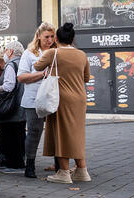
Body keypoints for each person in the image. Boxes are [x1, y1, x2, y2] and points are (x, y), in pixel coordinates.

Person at [33, 23, 91, 183]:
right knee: (77, 134)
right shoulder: (82, 55)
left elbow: (37, 66)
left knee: (61, 133)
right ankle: (82, 171)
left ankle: (64, 173)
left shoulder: (53, 53)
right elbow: (86, 78)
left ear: (56, 38)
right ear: (73, 38)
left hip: (60, 98)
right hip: (79, 99)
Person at [17, 22, 56, 178]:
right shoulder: (29, 53)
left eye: (52, 36)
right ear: (39, 36)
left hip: (53, 97)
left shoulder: (56, 52)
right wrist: (41, 75)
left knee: (56, 132)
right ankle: (30, 165)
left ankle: (59, 164)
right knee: (34, 131)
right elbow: (21, 77)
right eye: (47, 36)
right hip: (33, 98)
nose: (50, 40)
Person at [0, 40, 26, 171]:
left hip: (11, 107)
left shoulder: (10, 65)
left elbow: (8, 86)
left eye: (5, 50)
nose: (4, 53)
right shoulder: (24, 63)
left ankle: (10, 163)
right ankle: (19, 161)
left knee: (8, 133)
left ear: (11, 51)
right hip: (22, 106)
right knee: (20, 134)